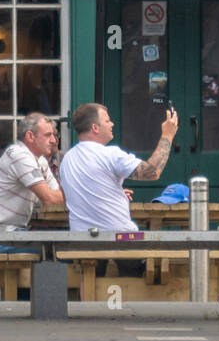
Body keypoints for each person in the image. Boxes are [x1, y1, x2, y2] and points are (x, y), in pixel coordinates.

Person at [59, 102, 179, 275]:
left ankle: (90, 299)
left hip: (82, 241)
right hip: (120, 239)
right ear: (95, 127)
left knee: (93, 273)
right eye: (107, 121)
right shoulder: (109, 154)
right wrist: (167, 135)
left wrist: (111, 191)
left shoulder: (67, 159)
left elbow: (82, 188)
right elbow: (152, 172)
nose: (112, 124)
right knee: (156, 256)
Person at [0, 112, 64, 254]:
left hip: (12, 234)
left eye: (54, 135)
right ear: (30, 136)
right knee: (54, 251)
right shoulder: (19, 155)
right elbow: (51, 199)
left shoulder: (40, 160)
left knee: (61, 243)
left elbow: (57, 197)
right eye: (47, 135)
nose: (53, 140)